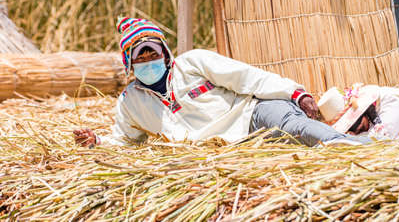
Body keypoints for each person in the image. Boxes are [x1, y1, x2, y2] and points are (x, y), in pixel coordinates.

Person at [74, 18, 372, 148]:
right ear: (130, 64)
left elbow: (247, 78)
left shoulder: (193, 62)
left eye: (153, 52)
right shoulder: (131, 102)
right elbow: (126, 140)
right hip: (230, 150)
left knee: (300, 130)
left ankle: (363, 150)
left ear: (165, 54)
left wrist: (296, 94)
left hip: (252, 116)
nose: (149, 60)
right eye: (141, 56)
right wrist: (97, 142)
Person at [318, 84, 399, 138]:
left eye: (352, 125)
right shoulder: (369, 118)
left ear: (363, 112)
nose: (353, 131)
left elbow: (386, 138)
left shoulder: (389, 101)